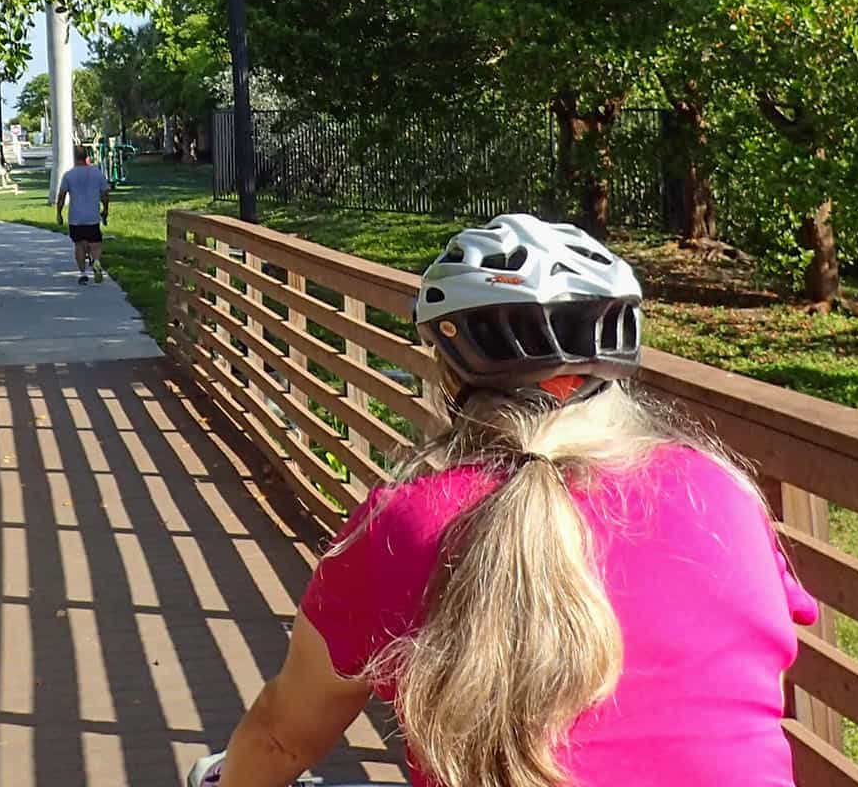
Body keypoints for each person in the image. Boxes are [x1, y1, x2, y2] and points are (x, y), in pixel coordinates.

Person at [191, 214, 818, 787]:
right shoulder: (722, 492)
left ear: (450, 371)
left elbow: (282, 734)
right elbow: (757, 681)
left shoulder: (411, 521)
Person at [53, 145, 112, 285]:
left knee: (79, 245)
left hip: (76, 217)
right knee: (95, 244)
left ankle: (82, 273)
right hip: (92, 216)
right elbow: (105, 194)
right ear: (86, 156)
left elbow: (61, 196)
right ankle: (96, 261)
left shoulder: (69, 175)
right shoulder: (97, 173)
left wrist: (59, 213)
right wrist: (105, 209)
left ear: (74, 157)